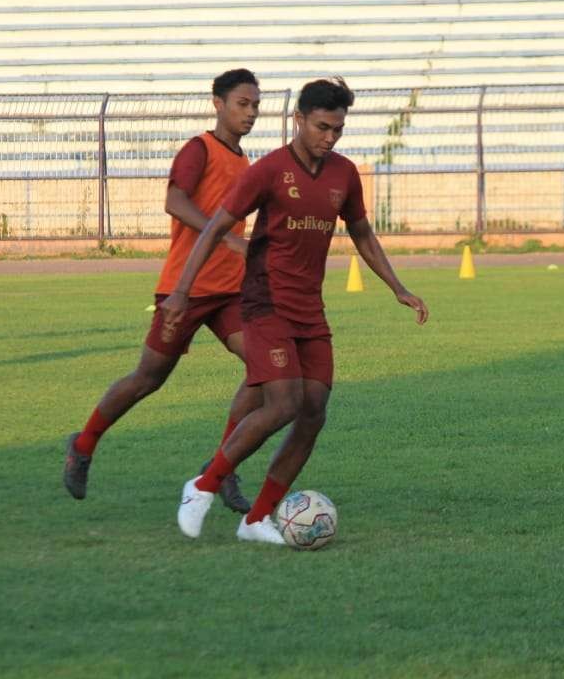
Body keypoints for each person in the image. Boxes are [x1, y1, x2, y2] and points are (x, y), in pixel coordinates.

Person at [166, 77, 429, 545]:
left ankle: (255, 520)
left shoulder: (344, 174)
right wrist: (182, 292)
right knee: (284, 402)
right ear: (299, 120)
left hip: (310, 308)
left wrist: (397, 287)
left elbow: (363, 233)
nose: (330, 138)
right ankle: (202, 486)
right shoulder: (267, 170)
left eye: (338, 130)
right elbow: (213, 230)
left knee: (313, 412)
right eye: (323, 127)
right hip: (265, 302)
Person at [63, 69, 263, 511]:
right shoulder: (198, 149)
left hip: (230, 292)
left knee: (265, 370)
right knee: (147, 379)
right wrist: (225, 235)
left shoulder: (245, 161)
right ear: (218, 103)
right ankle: (84, 443)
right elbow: (174, 202)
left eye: (255, 105)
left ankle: (221, 468)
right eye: (242, 104)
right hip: (184, 290)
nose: (250, 113)